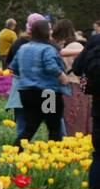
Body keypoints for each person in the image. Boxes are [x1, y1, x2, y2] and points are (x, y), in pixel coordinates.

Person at [10, 16, 68, 146]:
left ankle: (15, 151)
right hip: (47, 92)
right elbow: (51, 66)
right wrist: (62, 77)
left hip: (26, 92)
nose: (52, 31)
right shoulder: (47, 49)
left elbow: (14, 68)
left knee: (30, 127)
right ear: (45, 31)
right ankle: (55, 154)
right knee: (54, 127)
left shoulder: (23, 48)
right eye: (50, 29)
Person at [71, 22, 100, 189]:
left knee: (99, 154)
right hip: (46, 95)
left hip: (99, 106)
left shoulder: (95, 40)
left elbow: (77, 67)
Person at [54, 19, 88, 137]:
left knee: (67, 117)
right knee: (76, 118)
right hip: (74, 85)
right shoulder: (76, 46)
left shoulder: (65, 47)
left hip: (65, 86)